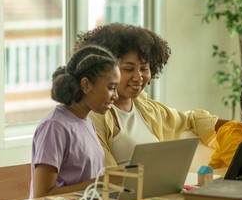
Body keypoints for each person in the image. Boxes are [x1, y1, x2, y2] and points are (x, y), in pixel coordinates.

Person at [74, 23, 226, 167]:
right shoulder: (93, 114)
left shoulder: (145, 107)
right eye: (128, 69)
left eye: (144, 69)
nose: (138, 77)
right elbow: (101, 175)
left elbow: (190, 120)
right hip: (121, 193)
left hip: (156, 192)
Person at [26, 45, 120, 200]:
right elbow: (42, 195)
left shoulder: (87, 123)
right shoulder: (54, 126)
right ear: (86, 85)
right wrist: (98, 185)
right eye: (111, 88)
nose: (116, 96)